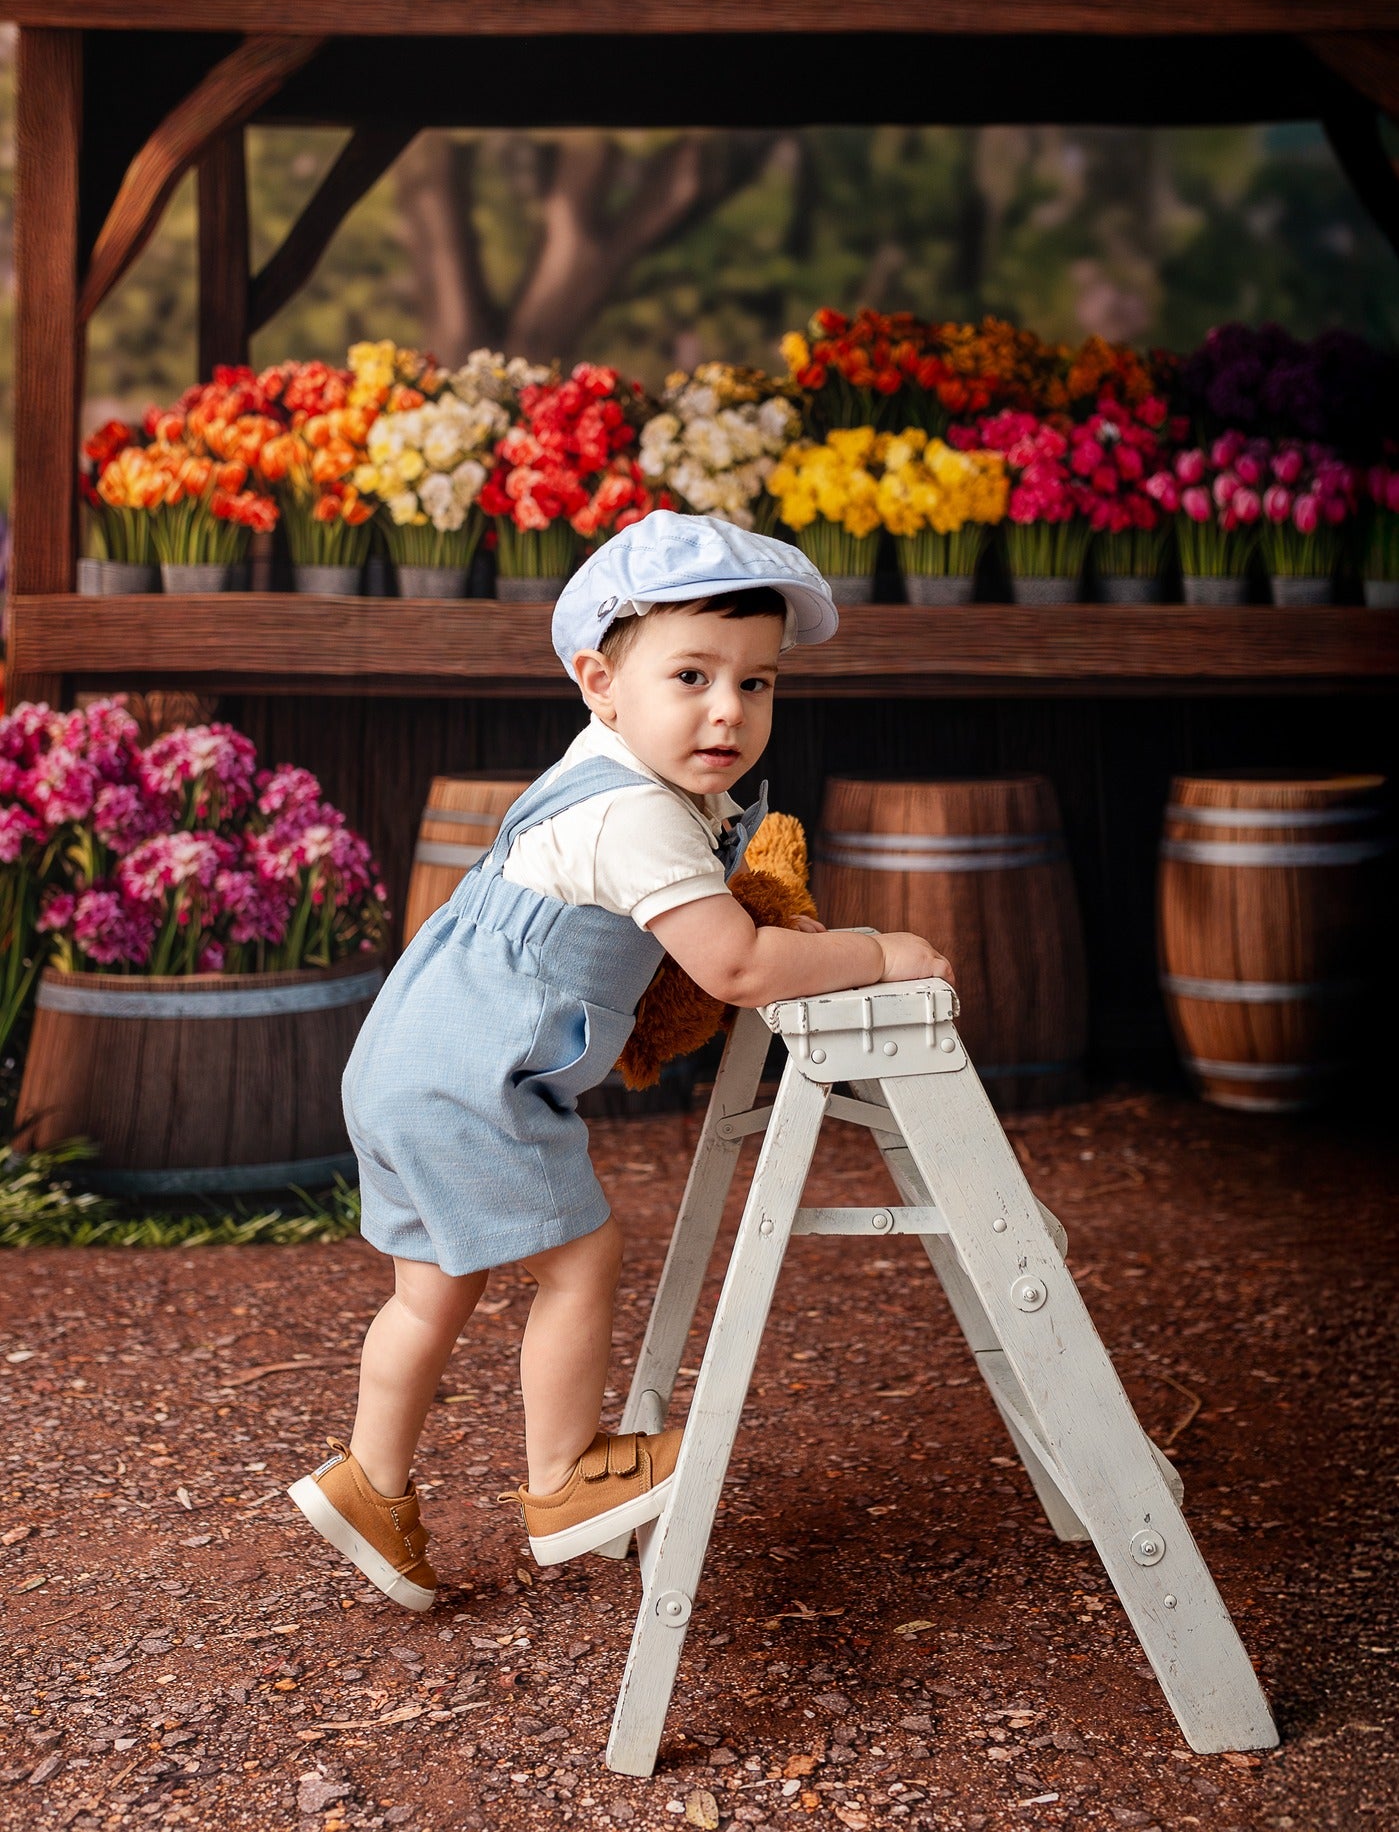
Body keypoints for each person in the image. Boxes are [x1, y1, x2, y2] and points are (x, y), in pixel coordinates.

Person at [287, 511, 952, 1611]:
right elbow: (735, 963)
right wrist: (883, 949)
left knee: (431, 1291)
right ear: (601, 680)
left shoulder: (602, 775)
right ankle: (563, 1479)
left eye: (760, 682)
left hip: (407, 1059)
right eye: (690, 674)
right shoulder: (634, 812)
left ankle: (369, 1483)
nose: (728, 710)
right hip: (471, 1079)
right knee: (583, 1257)